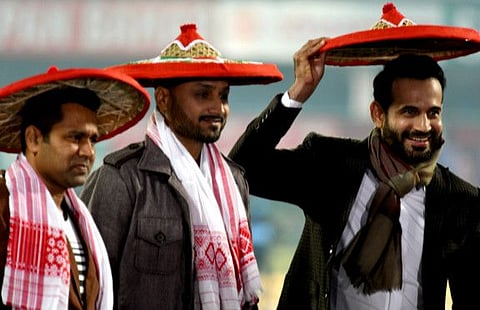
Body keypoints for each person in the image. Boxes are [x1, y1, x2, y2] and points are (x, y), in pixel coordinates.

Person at [228, 37, 480, 309]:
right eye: (409, 112)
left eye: (433, 113)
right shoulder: (331, 165)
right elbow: (244, 167)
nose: (423, 126)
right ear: (378, 114)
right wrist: (298, 93)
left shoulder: (460, 200)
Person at [80, 24, 283, 309]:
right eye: (203, 95)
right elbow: (89, 288)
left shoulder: (234, 182)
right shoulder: (121, 179)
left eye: (223, 96)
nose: (218, 108)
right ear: (163, 99)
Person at [0, 66, 150, 309]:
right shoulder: (6, 205)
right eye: (75, 138)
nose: (88, 152)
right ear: (34, 139)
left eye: (93, 139)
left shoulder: (81, 219)